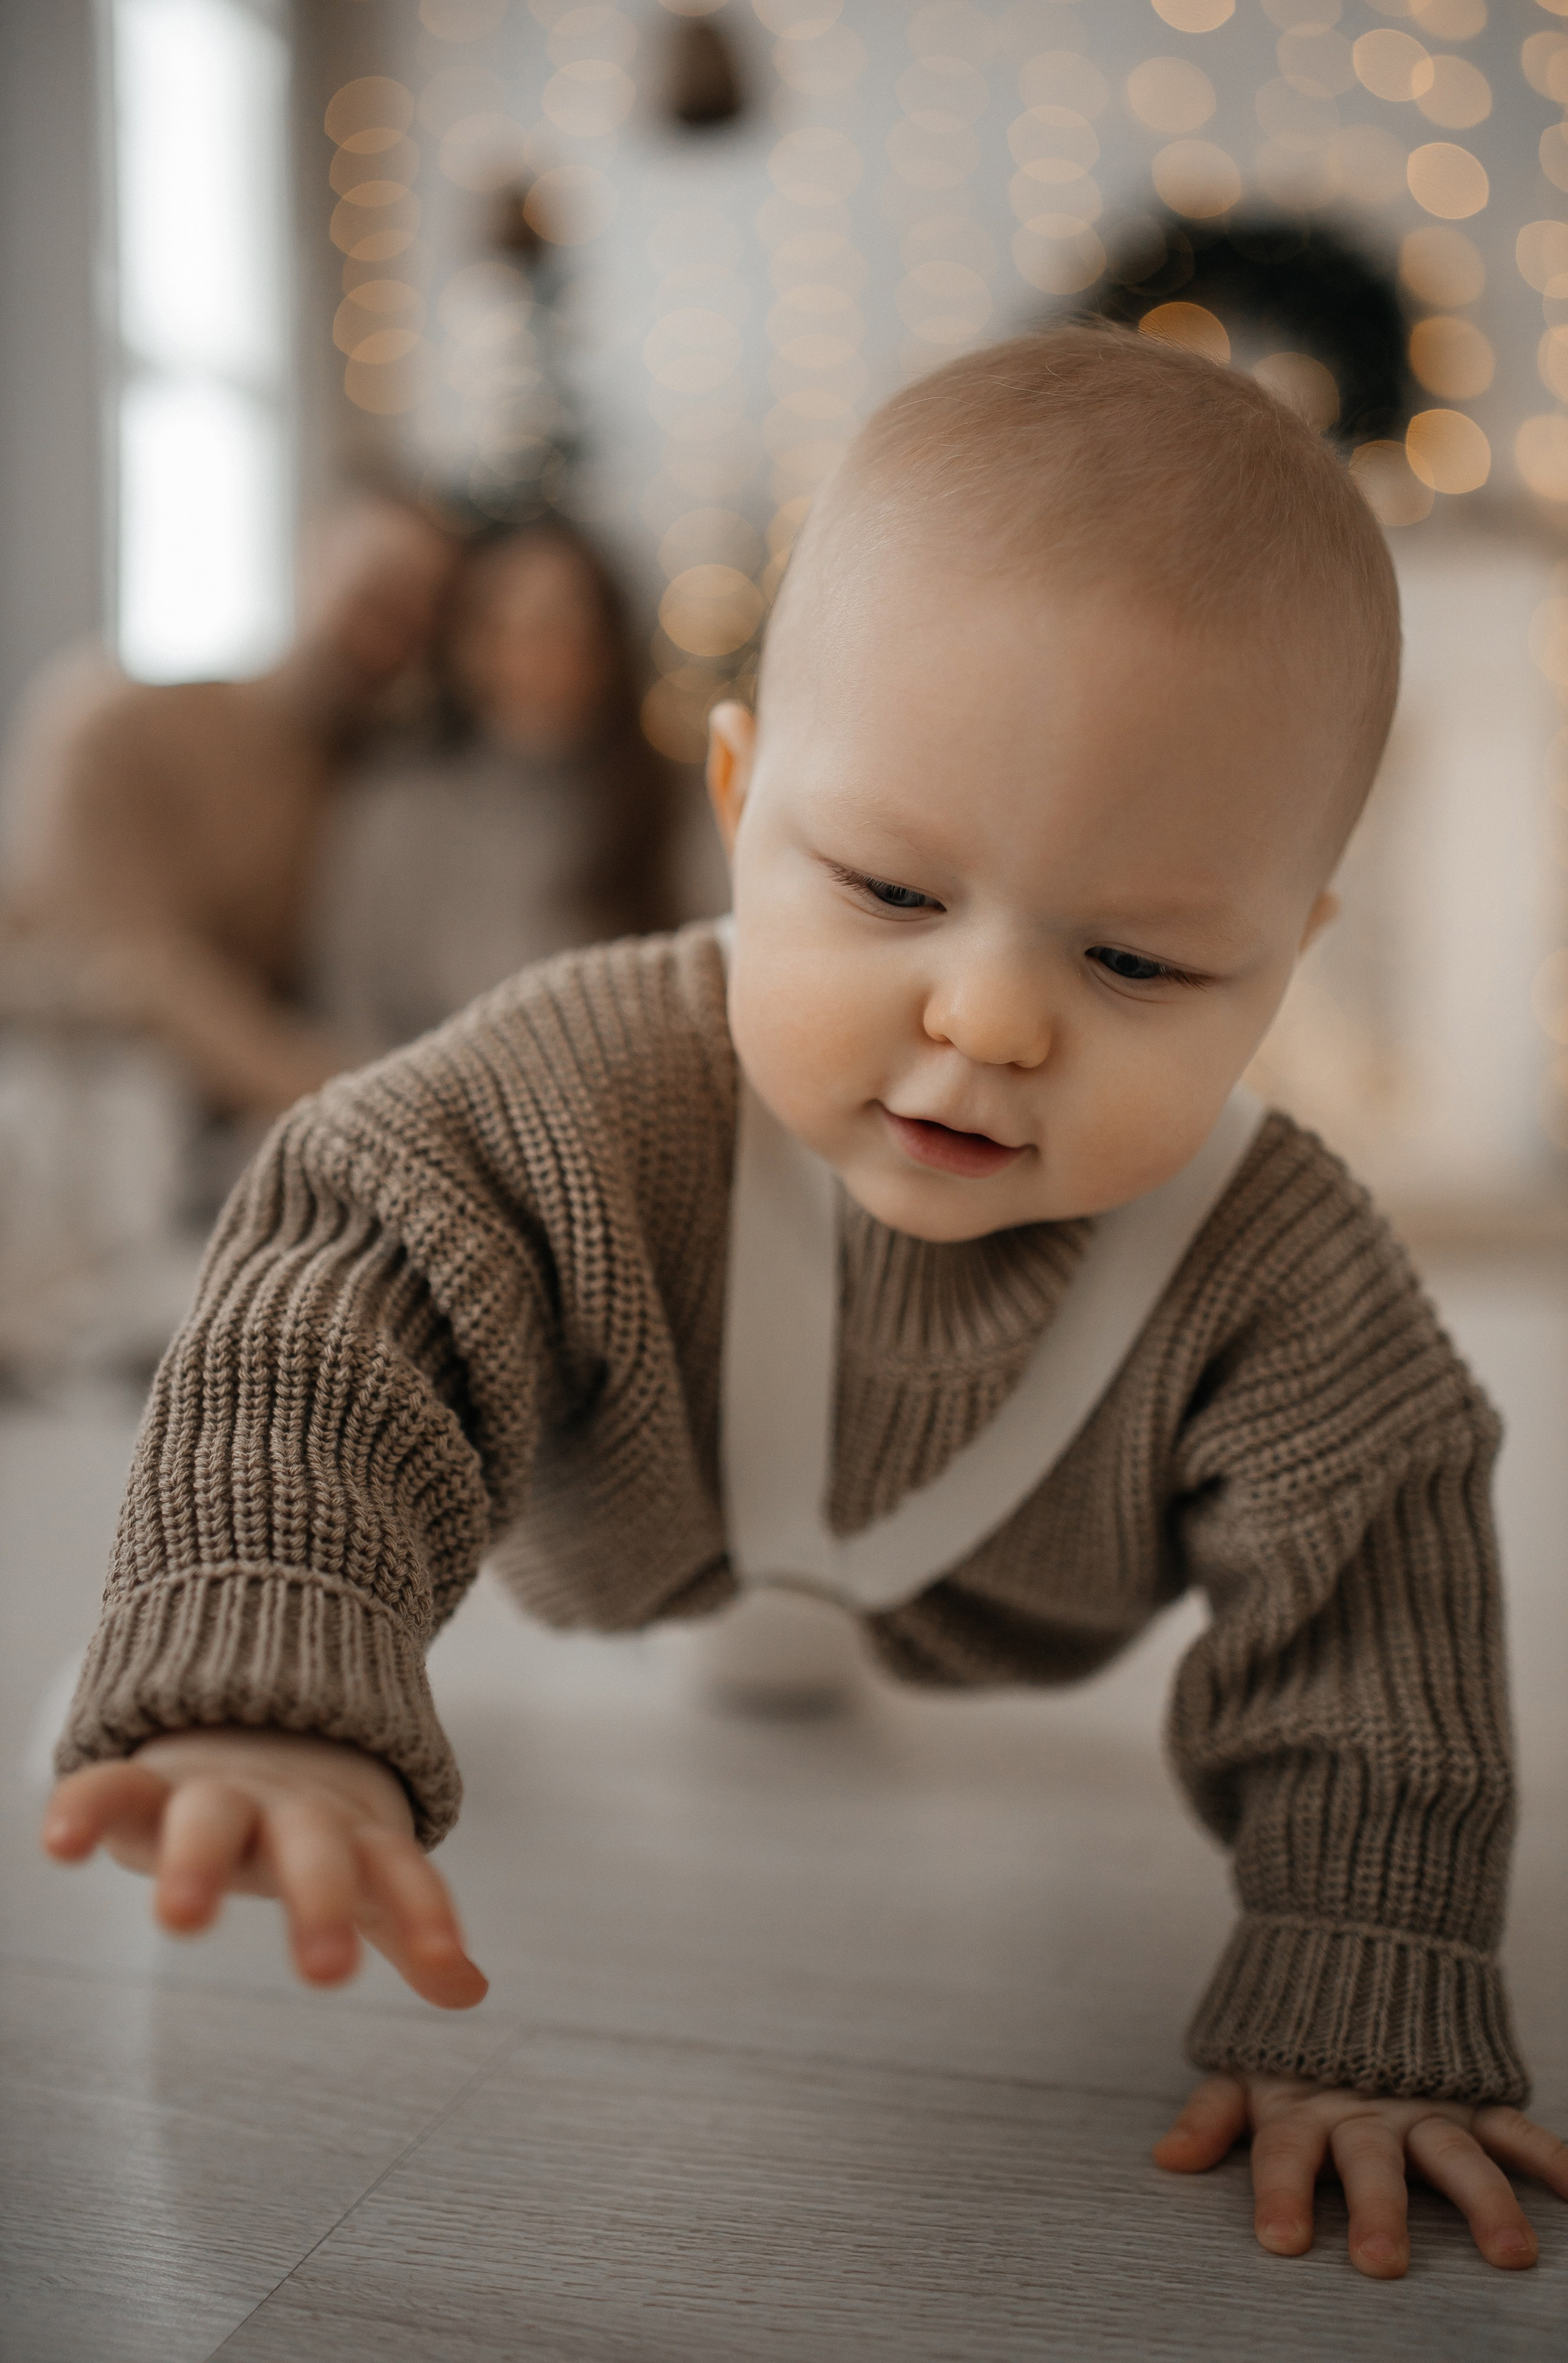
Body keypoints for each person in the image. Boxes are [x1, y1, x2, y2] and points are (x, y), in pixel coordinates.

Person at [42, 330, 1567, 2278]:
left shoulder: (1279, 1274)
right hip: (630, 1488)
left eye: (1135, 958)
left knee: (1336, 1537)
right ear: (745, 801)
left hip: (993, 1582)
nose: (993, 1017)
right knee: (408, 1359)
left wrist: (1371, 1970)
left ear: (1281, 960)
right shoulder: (587, 1085)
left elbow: (1380, 1597)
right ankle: (623, 1622)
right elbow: (346, 1275)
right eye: (893, 892)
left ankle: (804, 1612)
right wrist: (270, 1665)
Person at [0, 495, 458, 1120]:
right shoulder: (109, 727)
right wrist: (343, 1088)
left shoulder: (381, 785)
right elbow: (137, 967)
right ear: (313, 561)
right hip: (77, 1100)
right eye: (375, 591)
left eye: (421, 614)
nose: (390, 634)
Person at [307, 518, 682, 1060]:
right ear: (461, 647)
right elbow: (348, 1006)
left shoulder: (670, 810)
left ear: (606, 645)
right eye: (502, 628)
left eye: (559, 625)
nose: (532, 656)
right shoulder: (395, 808)